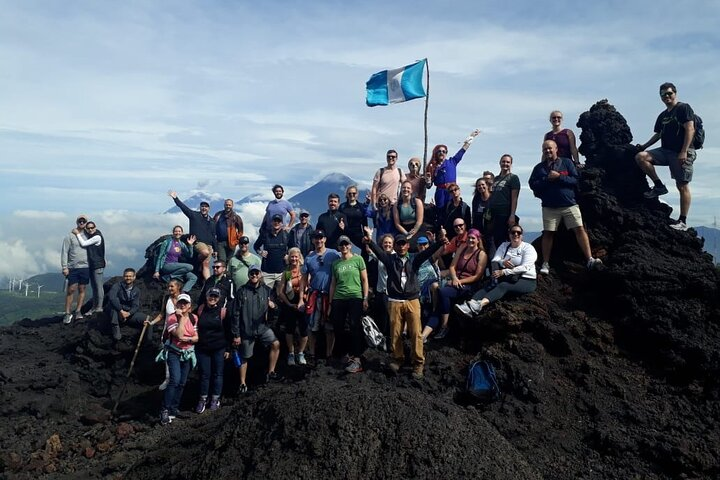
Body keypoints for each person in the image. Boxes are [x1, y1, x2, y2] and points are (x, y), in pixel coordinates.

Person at [364, 230, 445, 379]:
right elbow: (378, 252)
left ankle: (418, 364)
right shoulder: (389, 260)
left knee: (415, 333)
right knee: (395, 333)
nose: (401, 247)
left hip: (412, 300)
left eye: (403, 244)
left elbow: (427, 253)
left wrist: (439, 242)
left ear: (408, 245)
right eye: (398, 244)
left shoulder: (414, 259)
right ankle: (397, 359)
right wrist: (369, 241)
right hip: (394, 301)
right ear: (395, 247)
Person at [529, 140, 602, 275]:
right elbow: (533, 184)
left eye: (550, 148)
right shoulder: (539, 168)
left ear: (556, 149)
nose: (548, 151)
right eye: (545, 149)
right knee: (548, 233)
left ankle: (589, 258)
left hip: (569, 204)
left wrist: (559, 177)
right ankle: (545, 263)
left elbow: (575, 180)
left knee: (580, 229)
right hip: (549, 207)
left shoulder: (567, 163)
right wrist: (546, 179)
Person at [635, 82, 698, 231]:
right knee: (641, 157)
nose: (666, 96)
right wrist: (644, 147)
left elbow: (690, 129)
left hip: (681, 151)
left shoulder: (683, 108)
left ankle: (682, 221)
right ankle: (659, 186)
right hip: (666, 151)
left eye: (669, 93)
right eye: (663, 94)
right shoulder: (663, 116)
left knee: (682, 185)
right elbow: (659, 134)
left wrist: (684, 151)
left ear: (675, 93)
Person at [455, 225, 538, 317]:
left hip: (526, 280)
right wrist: (503, 262)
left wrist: (504, 271)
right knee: (490, 284)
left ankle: (479, 305)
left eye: (518, 232)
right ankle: (470, 304)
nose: (515, 234)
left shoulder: (528, 248)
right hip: (510, 277)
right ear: (509, 234)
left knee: (503, 286)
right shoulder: (504, 246)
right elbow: (495, 259)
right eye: (513, 232)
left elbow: (525, 267)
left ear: (522, 235)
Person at [231, 265, 281, 393]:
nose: (254, 275)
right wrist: (236, 334)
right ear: (248, 275)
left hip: (262, 328)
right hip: (246, 330)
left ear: (260, 274)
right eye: (251, 273)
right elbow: (235, 314)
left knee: (276, 343)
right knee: (244, 356)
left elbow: (276, 310)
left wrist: (273, 306)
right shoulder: (241, 291)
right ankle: (242, 383)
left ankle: (271, 372)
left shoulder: (267, 290)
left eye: (256, 273)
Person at [432, 228, 487, 340]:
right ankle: (435, 322)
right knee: (437, 289)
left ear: (478, 240)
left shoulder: (481, 255)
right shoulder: (462, 248)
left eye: (473, 238)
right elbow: (452, 266)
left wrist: (459, 281)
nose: (470, 240)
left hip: (469, 284)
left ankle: (444, 326)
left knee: (443, 292)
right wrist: (454, 278)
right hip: (456, 280)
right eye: (469, 238)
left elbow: (477, 276)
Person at [297, 230, 341, 361]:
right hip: (314, 295)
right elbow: (303, 279)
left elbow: (346, 258)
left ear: (325, 239)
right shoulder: (309, 258)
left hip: (330, 296)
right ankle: (311, 354)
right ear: (312, 240)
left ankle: (329, 354)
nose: (318, 240)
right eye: (316, 238)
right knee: (312, 327)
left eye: (321, 238)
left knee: (329, 327)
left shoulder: (333, 254)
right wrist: (300, 299)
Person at [328, 235, 369, 373]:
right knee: (338, 327)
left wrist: (365, 298)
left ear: (350, 245)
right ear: (338, 247)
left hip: (355, 296)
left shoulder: (358, 259)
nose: (344, 246)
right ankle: (345, 354)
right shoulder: (336, 263)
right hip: (339, 297)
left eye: (346, 244)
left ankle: (357, 359)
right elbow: (333, 283)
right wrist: (330, 301)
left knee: (354, 326)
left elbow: (364, 280)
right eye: (341, 244)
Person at [159, 293, 198, 425]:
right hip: (174, 353)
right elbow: (179, 334)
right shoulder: (172, 318)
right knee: (174, 381)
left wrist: (189, 339)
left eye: (185, 303)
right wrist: (181, 318)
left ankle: (173, 409)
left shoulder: (194, 318)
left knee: (182, 382)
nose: (182, 305)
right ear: (177, 304)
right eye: (180, 303)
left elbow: (196, 337)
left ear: (189, 306)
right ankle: (164, 410)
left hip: (187, 353)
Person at [194, 288, 230, 414]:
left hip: (219, 347)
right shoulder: (200, 310)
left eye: (215, 296)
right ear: (206, 296)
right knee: (204, 374)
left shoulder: (223, 312)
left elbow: (229, 330)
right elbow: (191, 323)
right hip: (202, 348)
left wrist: (229, 349)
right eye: (211, 295)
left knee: (218, 374)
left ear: (219, 298)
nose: (212, 298)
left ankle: (215, 398)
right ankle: (203, 399)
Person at [425, 129, 480, 210]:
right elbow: (428, 186)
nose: (441, 153)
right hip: (440, 193)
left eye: (444, 151)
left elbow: (463, 150)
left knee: (454, 210)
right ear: (436, 153)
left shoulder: (452, 162)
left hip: (453, 191)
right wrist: (428, 181)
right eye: (439, 151)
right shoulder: (432, 166)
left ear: (446, 153)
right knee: (441, 212)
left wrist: (471, 136)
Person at [168, 191, 216, 281]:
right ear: (200, 208)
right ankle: (197, 260)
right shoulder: (194, 215)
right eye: (202, 206)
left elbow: (213, 236)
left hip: (209, 244)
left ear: (209, 209)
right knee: (205, 253)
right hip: (198, 242)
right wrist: (175, 198)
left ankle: (208, 283)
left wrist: (215, 249)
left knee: (206, 264)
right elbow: (183, 208)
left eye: (206, 207)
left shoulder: (212, 221)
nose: (204, 208)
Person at [146, 278, 184, 391]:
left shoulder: (183, 299)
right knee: (168, 356)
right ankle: (168, 379)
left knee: (181, 354)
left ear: (178, 287)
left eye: (172, 286)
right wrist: (151, 323)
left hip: (180, 331)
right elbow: (162, 314)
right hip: (168, 332)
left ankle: (179, 379)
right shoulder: (166, 298)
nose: (170, 288)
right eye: (169, 286)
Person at [486, 154, 521, 262]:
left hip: (504, 214)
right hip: (493, 214)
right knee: (492, 241)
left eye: (508, 162)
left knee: (502, 242)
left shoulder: (513, 178)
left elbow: (514, 198)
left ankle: (502, 266)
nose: (505, 164)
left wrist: (512, 215)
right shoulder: (495, 179)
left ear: (511, 164)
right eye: (503, 161)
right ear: (500, 163)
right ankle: (494, 266)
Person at [277, 248, 308, 366]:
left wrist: (304, 300)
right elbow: (280, 291)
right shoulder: (287, 273)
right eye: (292, 257)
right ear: (289, 258)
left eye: (296, 256)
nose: (294, 259)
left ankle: (300, 353)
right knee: (289, 329)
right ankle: (291, 353)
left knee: (304, 329)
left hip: (303, 303)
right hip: (290, 304)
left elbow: (309, 286)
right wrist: (289, 304)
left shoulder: (304, 271)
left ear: (299, 257)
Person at [61, 214, 91, 324]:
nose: (82, 222)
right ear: (77, 222)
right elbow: (64, 252)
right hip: (73, 267)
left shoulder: (89, 235)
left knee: (82, 289)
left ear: (86, 222)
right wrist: (64, 267)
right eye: (80, 221)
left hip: (86, 267)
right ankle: (67, 313)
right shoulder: (69, 236)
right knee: (71, 289)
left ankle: (78, 311)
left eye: (84, 221)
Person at [106, 268, 150, 343]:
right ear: (123, 276)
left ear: (134, 277)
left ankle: (148, 342)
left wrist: (128, 313)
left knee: (147, 319)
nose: (128, 278)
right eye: (126, 276)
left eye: (130, 276)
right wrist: (121, 311)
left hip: (128, 313)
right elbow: (112, 298)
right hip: (117, 311)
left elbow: (135, 305)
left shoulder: (136, 290)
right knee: (112, 305)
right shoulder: (117, 286)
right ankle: (115, 327)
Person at [73, 220, 106, 314]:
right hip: (93, 265)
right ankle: (94, 307)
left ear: (95, 227)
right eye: (88, 228)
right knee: (94, 287)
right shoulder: (93, 235)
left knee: (98, 286)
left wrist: (77, 234)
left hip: (97, 265)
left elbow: (83, 243)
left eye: (92, 227)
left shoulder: (97, 236)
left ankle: (99, 307)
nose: (90, 229)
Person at [153, 225, 197, 293]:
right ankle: (169, 277)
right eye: (176, 231)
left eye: (179, 231)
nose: (177, 233)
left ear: (182, 233)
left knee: (193, 277)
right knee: (190, 267)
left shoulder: (181, 244)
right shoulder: (167, 242)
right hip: (166, 265)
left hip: (176, 267)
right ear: (173, 233)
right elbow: (160, 256)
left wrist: (190, 245)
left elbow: (189, 255)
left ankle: (183, 292)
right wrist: (156, 271)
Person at [254, 214, 290, 289]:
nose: (276, 223)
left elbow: (293, 248)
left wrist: (288, 255)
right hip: (267, 273)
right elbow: (256, 246)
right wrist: (260, 252)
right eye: (275, 221)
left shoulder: (286, 235)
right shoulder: (265, 234)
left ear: (282, 223)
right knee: (265, 296)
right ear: (271, 222)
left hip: (282, 272)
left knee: (287, 293)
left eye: (279, 221)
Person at [393, 180, 424, 249]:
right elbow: (397, 224)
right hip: (403, 229)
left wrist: (412, 234)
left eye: (408, 188)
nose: (406, 189)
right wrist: (407, 234)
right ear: (401, 190)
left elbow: (419, 221)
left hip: (416, 228)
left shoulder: (417, 202)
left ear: (412, 190)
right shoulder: (397, 205)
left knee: (414, 244)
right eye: (404, 188)